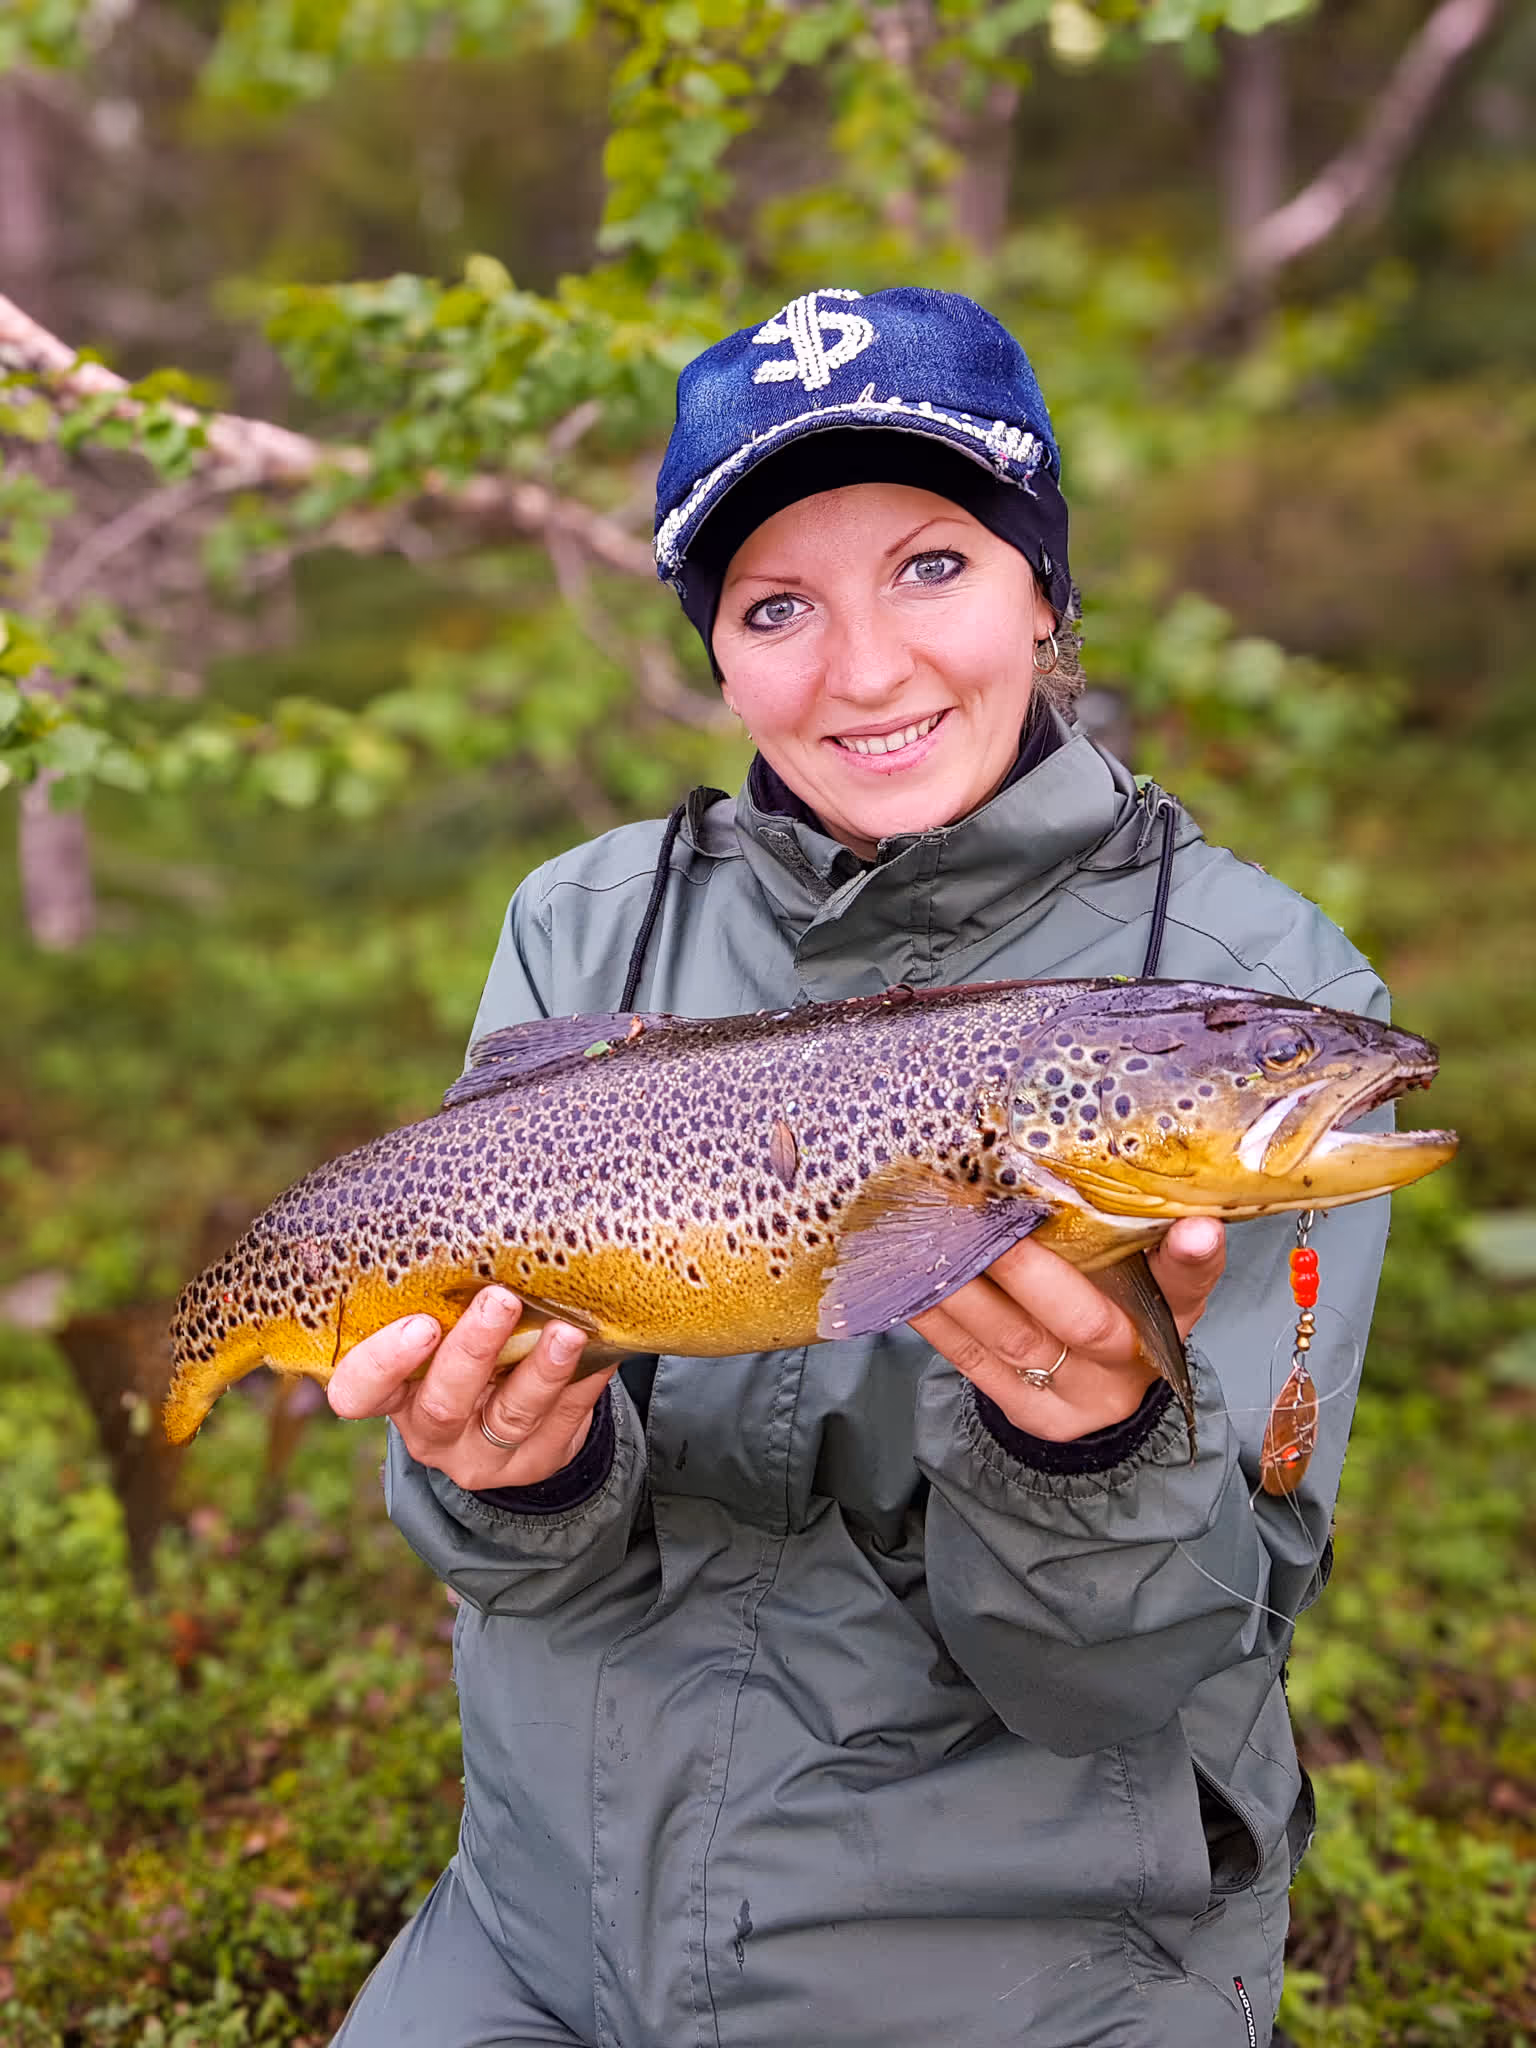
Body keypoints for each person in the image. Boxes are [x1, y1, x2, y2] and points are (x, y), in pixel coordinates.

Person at [326, 286, 1389, 2048]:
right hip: (545, 1927)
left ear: (1044, 584)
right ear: (719, 653)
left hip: (1039, 1970)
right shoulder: (585, 930)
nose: (867, 669)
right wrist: (512, 1480)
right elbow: (522, 1576)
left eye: (933, 566)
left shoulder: (1256, 1003)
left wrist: (1104, 1454)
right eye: (778, 606)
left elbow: (1144, 1679)